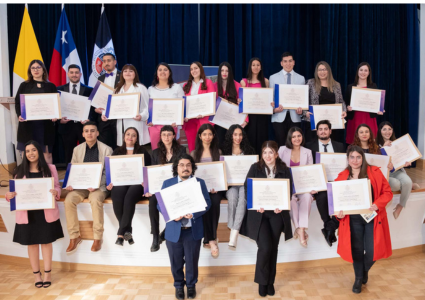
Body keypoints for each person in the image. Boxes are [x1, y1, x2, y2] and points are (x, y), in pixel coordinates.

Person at [5, 140, 63, 288]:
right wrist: (9, 195)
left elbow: (56, 186)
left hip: (46, 212)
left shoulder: (50, 168)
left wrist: (56, 192)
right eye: (28, 151)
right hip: (27, 213)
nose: (31, 153)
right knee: (31, 244)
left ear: (39, 152)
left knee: (46, 242)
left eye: (34, 150)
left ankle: (48, 273)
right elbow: (13, 191)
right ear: (25, 154)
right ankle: (37, 275)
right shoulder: (19, 171)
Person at [335, 145, 393, 294]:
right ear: (347, 159)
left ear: (363, 158)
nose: (355, 160)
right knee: (357, 250)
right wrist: (338, 214)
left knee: (373, 250)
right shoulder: (341, 176)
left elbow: (387, 193)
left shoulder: (374, 171)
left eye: (358, 157)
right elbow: (336, 201)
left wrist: (377, 204)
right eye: (352, 157)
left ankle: (363, 270)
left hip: (372, 217)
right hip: (352, 219)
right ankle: (358, 279)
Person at [239, 141, 293, 297]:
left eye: (271, 152)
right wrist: (255, 204)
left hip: (277, 213)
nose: (268, 156)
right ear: (261, 154)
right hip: (259, 214)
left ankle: (271, 282)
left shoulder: (284, 170)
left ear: (276, 154)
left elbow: (288, 191)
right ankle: (262, 283)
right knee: (265, 247)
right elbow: (247, 188)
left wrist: (282, 205)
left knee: (273, 248)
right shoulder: (255, 168)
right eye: (265, 152)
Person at [158, 154, 211, 300]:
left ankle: (191, 285)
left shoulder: (199, 183)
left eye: (188, 165)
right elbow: (160, 205)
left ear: (192, 168)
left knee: (192, 261)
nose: (185, 168)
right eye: (182, 165)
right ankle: (179, 286)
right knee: (176, 262)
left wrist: (193, 213)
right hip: (174, 230)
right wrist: (171, 215)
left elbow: (207, 203)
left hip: (192, 230)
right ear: (176, 167)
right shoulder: (167, 183)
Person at [64, 121, 113, 253]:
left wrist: (96, 184)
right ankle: (74, 237)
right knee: (69, 200)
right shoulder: (77, 149)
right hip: (81, 186)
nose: (89, 133)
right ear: (83, 134)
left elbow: (107, 173)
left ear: (97, 133)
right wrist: (70, 183)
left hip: (99, 186)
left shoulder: (107, 149)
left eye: (92, 131)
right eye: (87, 131)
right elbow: (74, 169)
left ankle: (97, 237)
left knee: (95, 199)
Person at [106, 127, 152, 246]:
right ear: (124, 137)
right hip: (120, 182)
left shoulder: (143, 151)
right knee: (116, 195)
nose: (130, 137)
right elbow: (111, 169)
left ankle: (121, 233)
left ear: (137, 139)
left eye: (133, 135)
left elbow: (148, 169)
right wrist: (110, 182)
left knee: (129, 197)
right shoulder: (117, 151)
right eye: (128, 134)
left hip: (138, 183)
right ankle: (127, 231)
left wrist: (145, 181)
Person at [146, 125, 187, 252]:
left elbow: (183, 169)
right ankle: (155, 237)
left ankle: (165, 231)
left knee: (174, 200)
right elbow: (151, 172)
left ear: (174, 136)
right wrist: (148, 188)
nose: (166, 137)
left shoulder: (181, 150)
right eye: (164, 135)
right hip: (160, 187)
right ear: (161, 137)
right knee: (153, 201)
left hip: (176, 186)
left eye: (169, 134)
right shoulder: (155, 152)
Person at [305, 120, 346, 246]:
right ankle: (330, 226)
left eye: (326, 129)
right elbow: (307, 168)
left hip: (337, 182)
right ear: (317, 132)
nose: (323, 131)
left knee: (345, 198)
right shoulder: (308, 147)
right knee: (322, 197)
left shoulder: (340, 146)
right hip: (320, 184)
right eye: (320, 129)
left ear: (330, 131)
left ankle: (329, 228)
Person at [15, 60, 58, 164]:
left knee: (47, 154)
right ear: (30, 71)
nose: (36, 70)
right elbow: (17, 102)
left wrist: (56, 115)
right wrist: (19, 115)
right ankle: (28, 178)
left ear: (43, 70)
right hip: (28, 125)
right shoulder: (24, 85)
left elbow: (56, 104)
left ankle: (48, 178)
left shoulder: (51, 86)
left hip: (45, 126)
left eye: (38, 67)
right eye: (33, 68)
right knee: (27, 153)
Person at [278, 127, 314, 247]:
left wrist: (313, 187)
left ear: (302, 137)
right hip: (288, 186)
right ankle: (300, 229)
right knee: (291, 200)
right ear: (290, 138)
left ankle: (300, 229)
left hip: (303, 186)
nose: (296, 138)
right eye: (294, 136)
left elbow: (311, 171)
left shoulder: (307, 152)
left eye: (299, 136)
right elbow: (277, 169)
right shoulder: (282, 150)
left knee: (308, 197)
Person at [376, 121, 420, 219]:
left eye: (390, 129)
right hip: (385, 174)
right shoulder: (375, 145)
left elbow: (402, 159)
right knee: (396, 184)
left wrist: (407, 162)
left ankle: (400, 206)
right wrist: (383, 148)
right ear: (380, 131)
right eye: (384, 129)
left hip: (397, 171)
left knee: (407, 181)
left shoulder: (397, 143)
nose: (387, 132)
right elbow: (376, 162)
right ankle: (409, 186)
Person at [190, 123, 222, 257]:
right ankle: (211, 239)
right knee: (204, 203)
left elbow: (221, 173)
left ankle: (210, 238)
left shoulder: (219, 152)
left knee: (214, 202)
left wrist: (218, 186)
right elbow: (191, 174)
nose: (207, 137)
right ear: (199, 136)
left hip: (215, 188)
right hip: (199, 189)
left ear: (214, 136)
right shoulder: (193, 153)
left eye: (210, 134)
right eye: (204, 134)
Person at [221, 124, 255, 247]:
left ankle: (234, 232)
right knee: (233, 196)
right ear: (230, 135)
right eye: (235, 134)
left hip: (244, 185)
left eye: (240, 134)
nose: (238, 137)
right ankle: (233, 228)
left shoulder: (249, 151)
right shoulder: (223, 151)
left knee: (243, 195)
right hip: (230, 185)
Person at [101, 64, 150, 147]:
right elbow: (111, 105)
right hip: (121, 123)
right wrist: (104, 114)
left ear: (135, 74)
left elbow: (147, 107)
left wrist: (141, 116)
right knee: (124, 148)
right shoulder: (118, 89)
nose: (128, 73)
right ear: (122, 74)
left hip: (135, 122)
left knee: (136, 148)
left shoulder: (141, 88)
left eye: (131, 71)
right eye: (125, 71)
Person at [57, 64, 94, 164]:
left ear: (80, 74)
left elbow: (92, 109)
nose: (74, 75)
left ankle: (86, 173)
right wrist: (59, 119)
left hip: (83, 126)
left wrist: (88, 120)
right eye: (72, 72)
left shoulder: (89, 90)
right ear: (68, 74)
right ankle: (69, 174)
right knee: (68, 153)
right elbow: (56, 107)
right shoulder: (59, 90)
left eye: (76, 72)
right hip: (67, 126)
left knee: (86, 151)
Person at [269, 52, 306, 147]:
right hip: (279, 116)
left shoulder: (301, 79)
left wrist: (301, 110)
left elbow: (302, 98)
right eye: (285, 61)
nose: (288, 64)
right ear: (281, 63)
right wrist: (273, 109)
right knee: (281, 144)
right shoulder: (273, 78)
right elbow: (270, 99)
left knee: (295, 144)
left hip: (295, 116)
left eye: (290, 61)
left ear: (294, 62)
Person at [305, 61, 347, 144]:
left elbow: (341, 101)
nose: (322, 72)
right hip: (315, 123)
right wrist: (305, 113)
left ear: (328, 71)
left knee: (333, 145)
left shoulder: (336, 85)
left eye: (324, 69)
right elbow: (304, 101)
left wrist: (344, 111)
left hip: (333, 123)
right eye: (320, 70)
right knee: (315, 146)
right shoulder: (310, 83)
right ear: (316, 72)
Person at [147, 62, 184, 150]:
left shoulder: (177, 87)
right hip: (155, 125)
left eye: (165, 70)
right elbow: (147, 107)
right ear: (157, 73)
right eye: (160, 70)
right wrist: (148, 119)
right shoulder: (150, 89)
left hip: (172, 125)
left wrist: (178, 121)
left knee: (172, 151)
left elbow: (182, 106)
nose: (162, 72)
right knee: (156, 151)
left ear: (169, 73)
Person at [345, 62, 384, 145]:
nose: (363, 72)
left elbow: (377, 102)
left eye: (366, 70)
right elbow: (346, 103)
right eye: (361, 70)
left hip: (369, 118)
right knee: (355, 143)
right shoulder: (350, 87)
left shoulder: (373, 86)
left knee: (370, 143)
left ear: (369, 73)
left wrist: (380, 109)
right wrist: (347, 107)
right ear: (357, 72)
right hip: (355, 118)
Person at [240, 57, 271, 154]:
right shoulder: (244, 82)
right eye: (253, 65)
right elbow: (241, 102)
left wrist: (271, 103)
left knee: (262, 140)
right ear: (250, 67)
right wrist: (239, 101)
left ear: (261, 67)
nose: (256, 67)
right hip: (249, 117)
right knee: (250, 140)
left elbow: (267, 99)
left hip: (262, 116)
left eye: (258, 65)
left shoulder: (265, 81)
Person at [182, 62, 215, 152]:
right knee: (192, 146)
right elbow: (183, 103)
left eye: (196, 68)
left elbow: (212, 101)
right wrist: (184, 114)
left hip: (204, 119)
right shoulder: (186, 85)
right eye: (191, 69)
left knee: (205, 145)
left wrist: (204, 113)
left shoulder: (208, 82)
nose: (194, 71)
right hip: (190, 121)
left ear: (200, 69)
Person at [213, 62, 247, 146]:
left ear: (230, 72)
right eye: (222, 70)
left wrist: (246, 120)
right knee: (219, 144)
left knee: (233, 145)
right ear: (219, 72)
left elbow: (243, 104)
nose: (224, 73)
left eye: (226, 71)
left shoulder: (237, 85)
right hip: (219, 122)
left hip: (233, 121)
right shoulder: (214, 86)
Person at [95, 53, 121, 149]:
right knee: (104, 146)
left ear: (115, 62)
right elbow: (97, 97)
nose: (106, 63)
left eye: (109, 60)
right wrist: (96, 108)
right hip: (103, 117)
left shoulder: (123, 75)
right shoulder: (100, 78)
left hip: (118, 117)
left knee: (119, 145)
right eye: (104, 61)